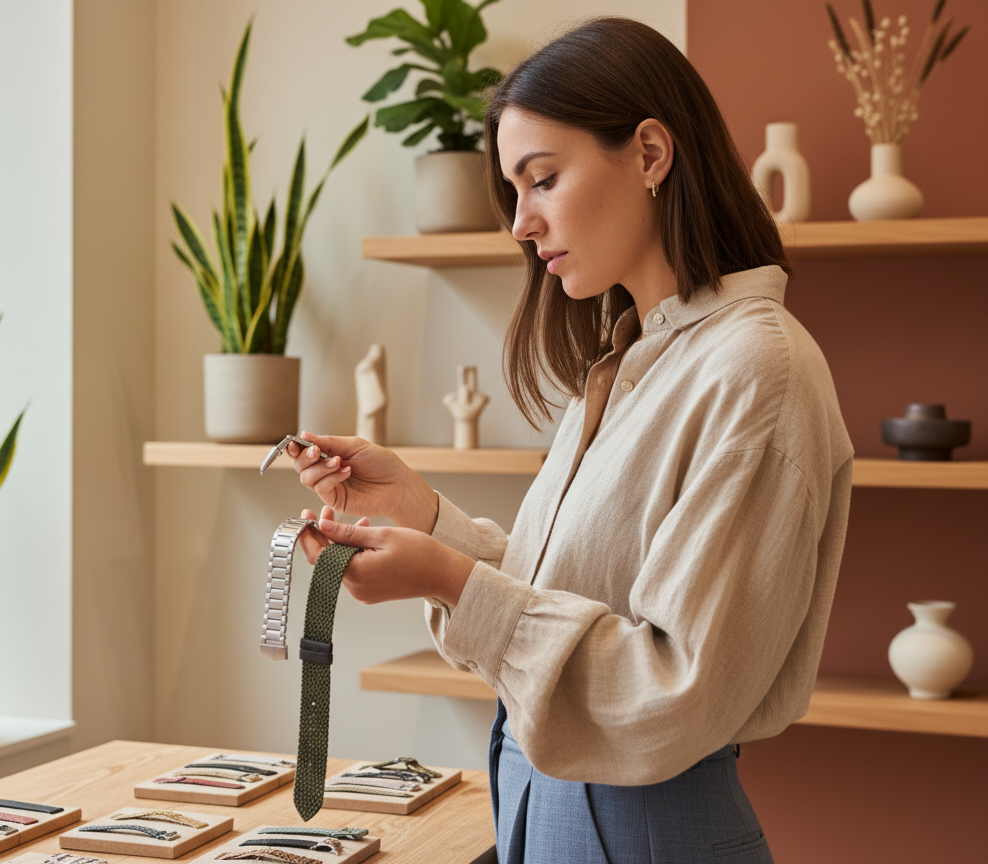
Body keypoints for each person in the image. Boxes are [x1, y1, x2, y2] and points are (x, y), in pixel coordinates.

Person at [284, 16, 852, 863]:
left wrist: (448, 579)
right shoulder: (630, 361)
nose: (521, 222)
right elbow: (581, 593)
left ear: (651, 155)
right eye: (515, 190)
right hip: (545, 804)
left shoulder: (756, 371)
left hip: (645, 826)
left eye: (542, 179)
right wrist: (425, 516)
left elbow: (673, 684)